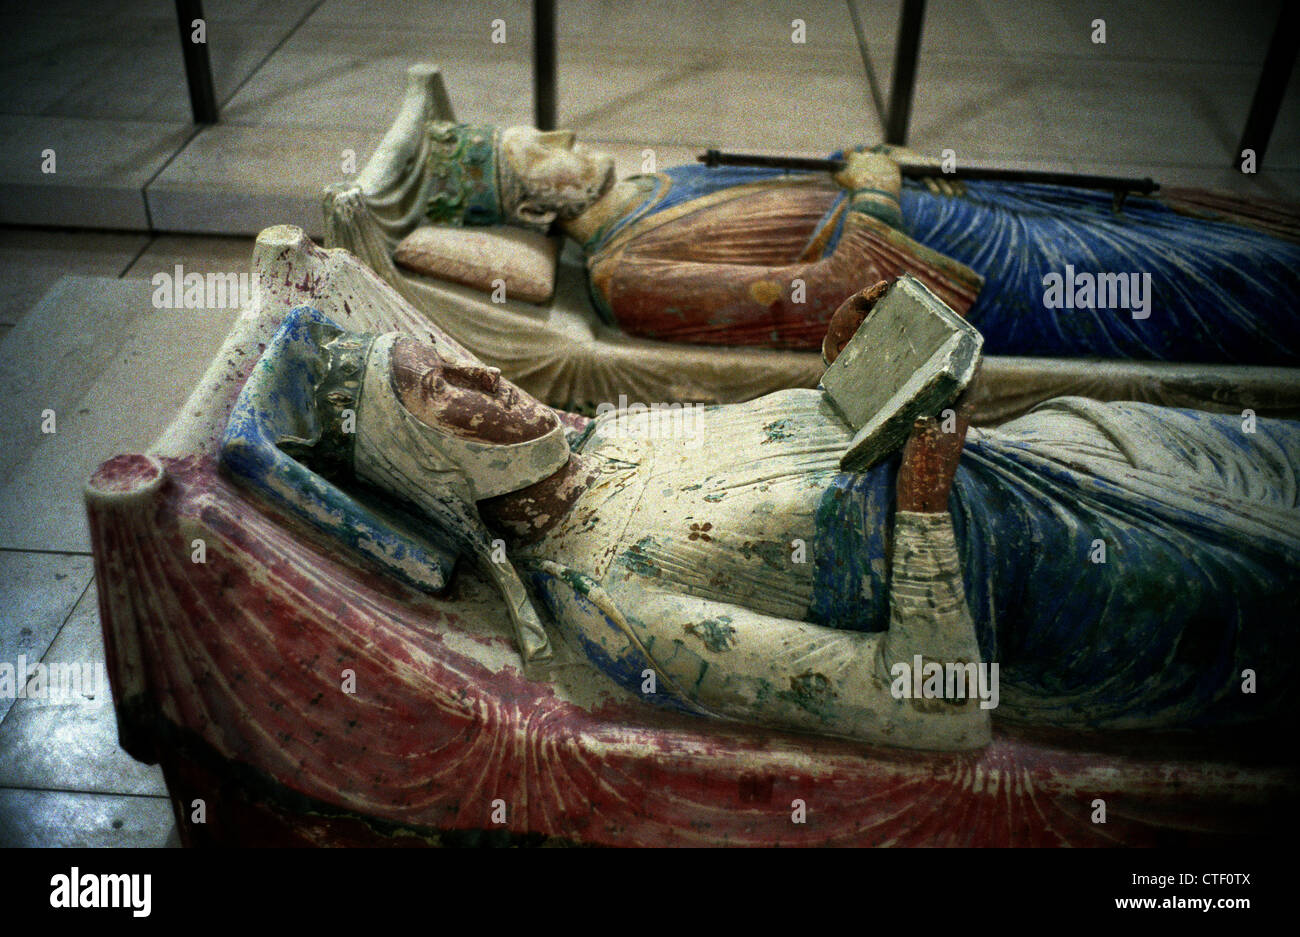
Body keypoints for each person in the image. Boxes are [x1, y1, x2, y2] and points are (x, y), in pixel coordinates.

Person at [222, 288, 1300, 750]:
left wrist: (841, 381)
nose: (485, 375)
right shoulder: (611, 602)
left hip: (1058, 456)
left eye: (460, 358)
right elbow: (932, 712)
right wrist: (920, 512)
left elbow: (797, 462)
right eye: (446, 395)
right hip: (1081, 586)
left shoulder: (619, 439)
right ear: (433, 469)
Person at [406, 121, 1300, 364]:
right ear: (529, 216)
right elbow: (826, 304)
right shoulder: (627, 276)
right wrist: (870, 194)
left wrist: (863, 169)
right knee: (1186, 285)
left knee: (1165, 222)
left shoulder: (658, 184)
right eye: (544, 152)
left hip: (953, 215)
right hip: (953, 280)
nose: (567, 138)